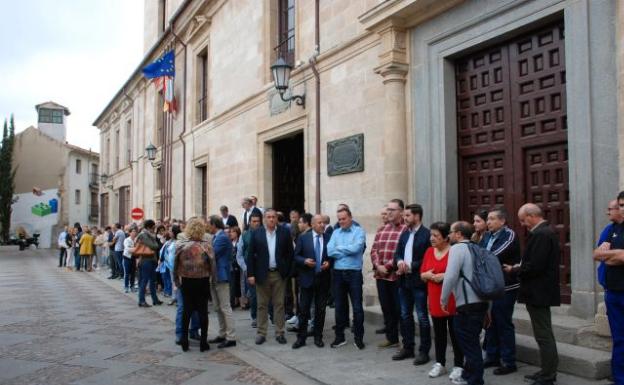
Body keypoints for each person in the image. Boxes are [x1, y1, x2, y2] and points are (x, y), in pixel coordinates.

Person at [503, 204, 560, 385]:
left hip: (539, 293)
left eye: (522, 220)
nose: (522, 224)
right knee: (542, 334)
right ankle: (545, 370)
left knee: (544, 335)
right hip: (537, 292)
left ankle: (549, 375)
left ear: (531, 216)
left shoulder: (542, 234)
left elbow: (535, 266)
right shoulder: (543, 233)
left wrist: (515, 270)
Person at [441, 221, 489, 385]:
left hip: (467, 303)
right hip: (481, 301)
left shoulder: (457, 249)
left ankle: (475, 379)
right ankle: (469, 375)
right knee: (472, 341)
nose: (449, 235)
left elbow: (450, 276)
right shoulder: (478, 248)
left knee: (469, 343)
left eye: (451, 232)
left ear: (459, 234)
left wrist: (444, 299)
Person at [420, 222, 464, 381]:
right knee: (439, 334)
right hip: (434, 299)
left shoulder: (454, 252)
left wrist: (444, 276)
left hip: (452, 300)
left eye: (436, 236)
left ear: (446, 237)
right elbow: (422, 274)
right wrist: (429, 276)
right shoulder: (428, 252)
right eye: (431, 235)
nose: (432, 238)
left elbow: (461, 273)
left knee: (456, 334)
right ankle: (440, 363)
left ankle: (459, 365)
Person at [481, 208, 521, 375]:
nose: (488, 222)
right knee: (490, 322)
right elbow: (479, 252)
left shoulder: (509, 235)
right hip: (489, 286)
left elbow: (493, 256)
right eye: (487, 219)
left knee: (503, 322)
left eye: (491, 219)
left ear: (502, 221)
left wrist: (480, 260)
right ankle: (492, 356)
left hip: (506, 286)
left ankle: (509, 361)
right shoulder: (487, 236)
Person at [247, 209, 294, 345]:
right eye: (268, 217)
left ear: (276, 218)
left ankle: (280, 332)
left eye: (274, 217)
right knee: (262, 305)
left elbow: (290, 254)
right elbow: (250, 255)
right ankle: (261, 333)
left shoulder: (284, 233)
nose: (271, 219)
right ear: (264, 219)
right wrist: (250, 274)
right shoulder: (257, 233)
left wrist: (288, 272)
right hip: (262, 274)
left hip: (279, 274)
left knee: (279, 304)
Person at [393, 204, 432, 364]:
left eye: (408, 215)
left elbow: (428, 258)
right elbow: (397, 252)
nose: (405, 218)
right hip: (404, 281)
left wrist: (411, 265)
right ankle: (408, 347)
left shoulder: (427, 234)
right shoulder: (404, 233)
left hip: (418, 281)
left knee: (422, 317)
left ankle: (424, 351)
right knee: (405, 315)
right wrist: (400, 261)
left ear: (417, 216)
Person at [593, 193, 624, 385]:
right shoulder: (612, 229)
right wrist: (617, 254)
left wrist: (611, 255)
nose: (622, 209)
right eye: (620, 205)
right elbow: (597, 254)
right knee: (619, 339)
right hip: (614, 293)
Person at [327, 206, 366, 349]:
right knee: (339, 307)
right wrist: (346, 248)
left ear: (350, 217)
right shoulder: (336, 232)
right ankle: (339, 337)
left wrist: (339, 248)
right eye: (339, 219)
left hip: (354, 273)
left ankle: (359, 338)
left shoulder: (359, 231)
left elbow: (357, 249)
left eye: (344, 219)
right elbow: (330, 250)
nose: (341, 222)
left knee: (357, 307)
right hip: (338, 274)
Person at [173, 218, 214, 352]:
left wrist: (176, 280)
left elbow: (175, 264)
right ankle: (203, 342)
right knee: (203, 311)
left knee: (187, 311)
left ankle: (184, 340)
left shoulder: (181, 245)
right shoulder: (206, 246)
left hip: (187, 281)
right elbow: (213, 264)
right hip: (202, 281)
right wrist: (213, 279)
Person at [292, 214, 331, 349]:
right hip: (307, 279)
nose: (322, 225)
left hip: (322, 279)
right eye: (319, 223)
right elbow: (296, 256)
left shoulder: (328, 238)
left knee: (320, 310)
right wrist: (304, 261)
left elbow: (332, 256)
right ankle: (301, 338)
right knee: (304, 310)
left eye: (323, 223)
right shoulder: (303, 238)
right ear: (313, 224)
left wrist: (329, 262)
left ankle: (318, 337)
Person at [370, 199, 406, 349]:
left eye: (393, 210)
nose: (389, 212)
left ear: (401, 212)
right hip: (381, 276)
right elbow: (373, 250)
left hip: (396, 276)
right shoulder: (381, 229)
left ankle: (405, 340)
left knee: (400, 310)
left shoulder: (405, 230)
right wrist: (378, 265)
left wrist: (388, 266)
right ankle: (391, 339)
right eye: (388, 210)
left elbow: (402, 252)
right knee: (386, 308)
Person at [206, 215, 237, 348]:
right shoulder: (216, 237)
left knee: (225, 307)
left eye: (209, 224)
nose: (208, 226)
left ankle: (231, 337)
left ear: (214, 224)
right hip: (214, 275)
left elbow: (212, 254)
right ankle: (222, 333)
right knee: (218, 307)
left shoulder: (222, 237)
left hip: (221, 275)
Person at [239, 212, 263, 327]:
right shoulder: (244, 235)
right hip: (250, 270)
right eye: (254, 221)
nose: (256, 223)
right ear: (249, 222)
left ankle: (269, 316)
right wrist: (246, 268)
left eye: (258, 221)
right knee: (253, 295)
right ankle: (255, 317)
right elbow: (239, 254)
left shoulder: (265, 233)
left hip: (263, 269)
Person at [136, 220, 164, 307]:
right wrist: (154, 239)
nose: (154, 229)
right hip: (145, 260)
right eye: (153, 227)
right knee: (144, 281)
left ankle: (155, 299)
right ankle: (141, 300)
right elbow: (154, 246)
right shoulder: (143, 235)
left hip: (151, 260)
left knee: (152, 281)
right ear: (149, 227)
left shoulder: (149, 235)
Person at [122, 228, 138, 293]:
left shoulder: (137, 240)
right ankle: (126, 287)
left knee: (133, 273)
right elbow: (128, 249)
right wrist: (137, 248)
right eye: (133, 231)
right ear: (130, 233)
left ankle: (132, 286)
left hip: (133, 258)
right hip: (127, 257)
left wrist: (136, 249)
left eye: (135, 232)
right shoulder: (127, 240)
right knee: (127, 273)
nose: (134, 233)